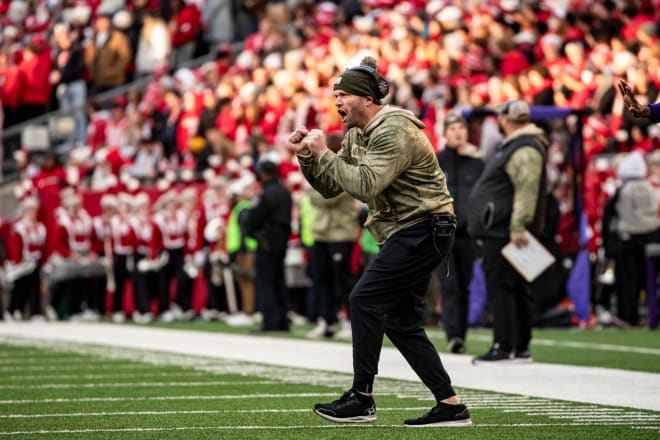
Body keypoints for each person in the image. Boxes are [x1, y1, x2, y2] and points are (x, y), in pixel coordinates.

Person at [288, 56, 471, 427]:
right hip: (409, 228)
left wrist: (325, 152)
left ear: (365, 98)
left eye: (342, 94)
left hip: (425, 225)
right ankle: (450, 405)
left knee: (364, 298)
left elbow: (366, 185)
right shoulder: (358, 133)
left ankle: (361, 398)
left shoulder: (394, 129)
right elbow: (330, 186)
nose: (335, 101)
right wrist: (308, 158)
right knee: (402, 322)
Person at [467, 99, 549, 364]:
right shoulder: (518, 145)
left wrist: (518, 226)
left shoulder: (523, 148)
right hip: (505, 228)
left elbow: (527, 191)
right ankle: (518, 346)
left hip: (505, 230)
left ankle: (505, 346)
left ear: (505, 119)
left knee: (503, 286)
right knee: (513, 286)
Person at [435, 112, 484, 354]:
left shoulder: (477, 164)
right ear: (445, 134)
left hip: (468, 233)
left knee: (464, 285)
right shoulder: (434, 161)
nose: (458, 133)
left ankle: (460, 336)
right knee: (449, 284)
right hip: (442, 233)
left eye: (461, 129)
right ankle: (453, 334)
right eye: (452, 129)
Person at [602, 152, 659, 326]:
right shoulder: (651, 187)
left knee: (628, 283)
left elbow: (608, 216)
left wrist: (609, 242)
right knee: (651, 281)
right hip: (652, 237)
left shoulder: (622, 190)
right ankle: (653, 316)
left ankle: (629, 317)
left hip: (627, 240)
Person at [240, 159, 292, 332]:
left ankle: (269, 322)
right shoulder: (285, 192)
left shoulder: (265, 194)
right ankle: (282, 321)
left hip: (267, 242)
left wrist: (247, 222)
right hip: (281, 242)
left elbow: (253, 218)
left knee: (266, 282)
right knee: (279, 280)